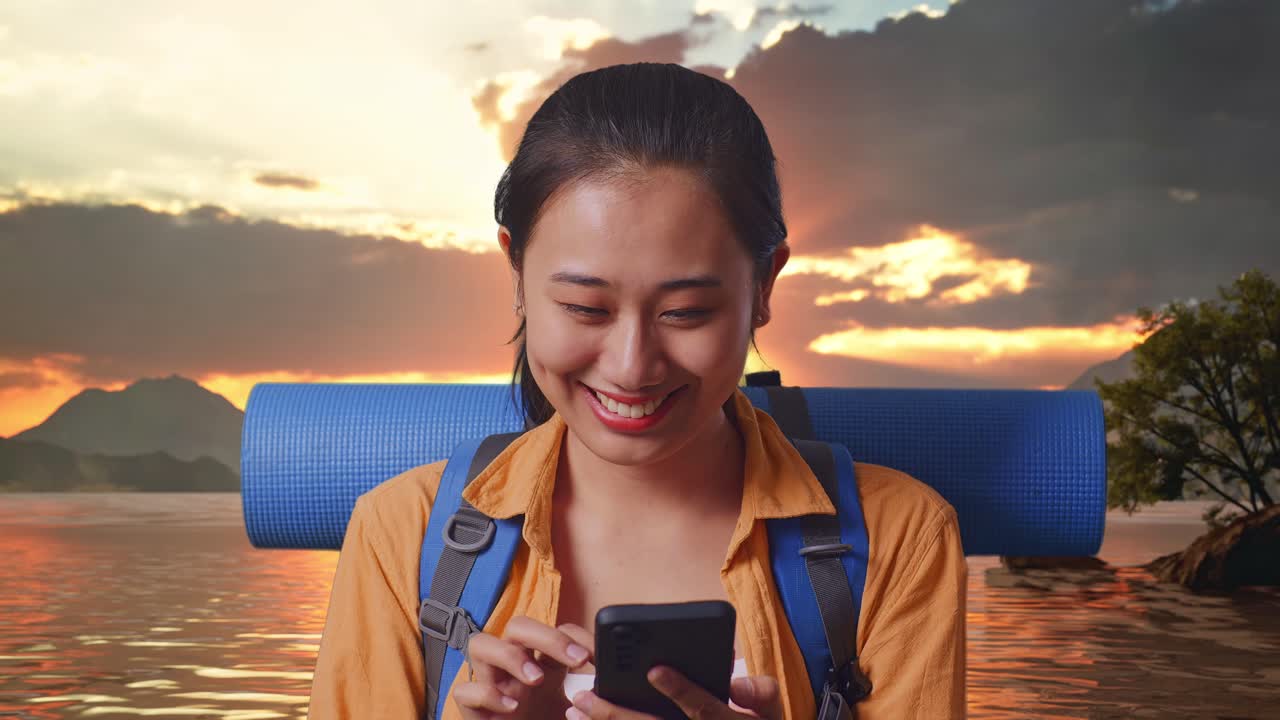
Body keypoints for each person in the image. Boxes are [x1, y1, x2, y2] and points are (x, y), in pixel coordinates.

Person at [308, 62, 966, 720]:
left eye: (684, 313)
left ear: (764, 285)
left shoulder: (899, 539)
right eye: (586, 309)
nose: (631, 367)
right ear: (517, 274)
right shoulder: (400, 536)